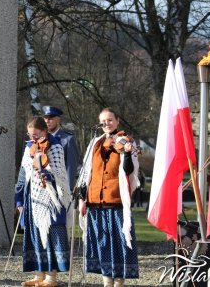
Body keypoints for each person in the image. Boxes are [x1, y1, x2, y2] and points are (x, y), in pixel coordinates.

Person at [76, 107, 139, 287]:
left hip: (116, 202)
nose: (106, 124)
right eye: (103, 121)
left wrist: (126, 152)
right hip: (95, 201)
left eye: (110, 120)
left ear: (117, 121)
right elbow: (86, 173)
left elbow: (129, 172)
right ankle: (106, 282)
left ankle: (119, 283)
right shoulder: (94, 143)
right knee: (101, 243)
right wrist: (82, 199)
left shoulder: (126, 142)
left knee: (119, 244)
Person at [15, 117, 72, 287]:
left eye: (37, 135)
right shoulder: (28, 148)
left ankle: (51, 278)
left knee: (50, 235)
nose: (33, 139)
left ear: (45, 131)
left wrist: (49, 176)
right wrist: (19, 198)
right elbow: (23, 175)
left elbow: (61, 174)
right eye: (31, 135)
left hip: (51, 198)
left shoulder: (55, 146)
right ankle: (38, 274)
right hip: (32, 198)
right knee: (35, 236)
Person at [42, 105, 80, 189]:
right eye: (45, 118)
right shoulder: (41, 139)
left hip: (60, 187)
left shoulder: (68, 139)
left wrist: (68, 190)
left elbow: (71, 167)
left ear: (58, 120)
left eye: (51, 118)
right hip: (44, 188)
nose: (47, 121)